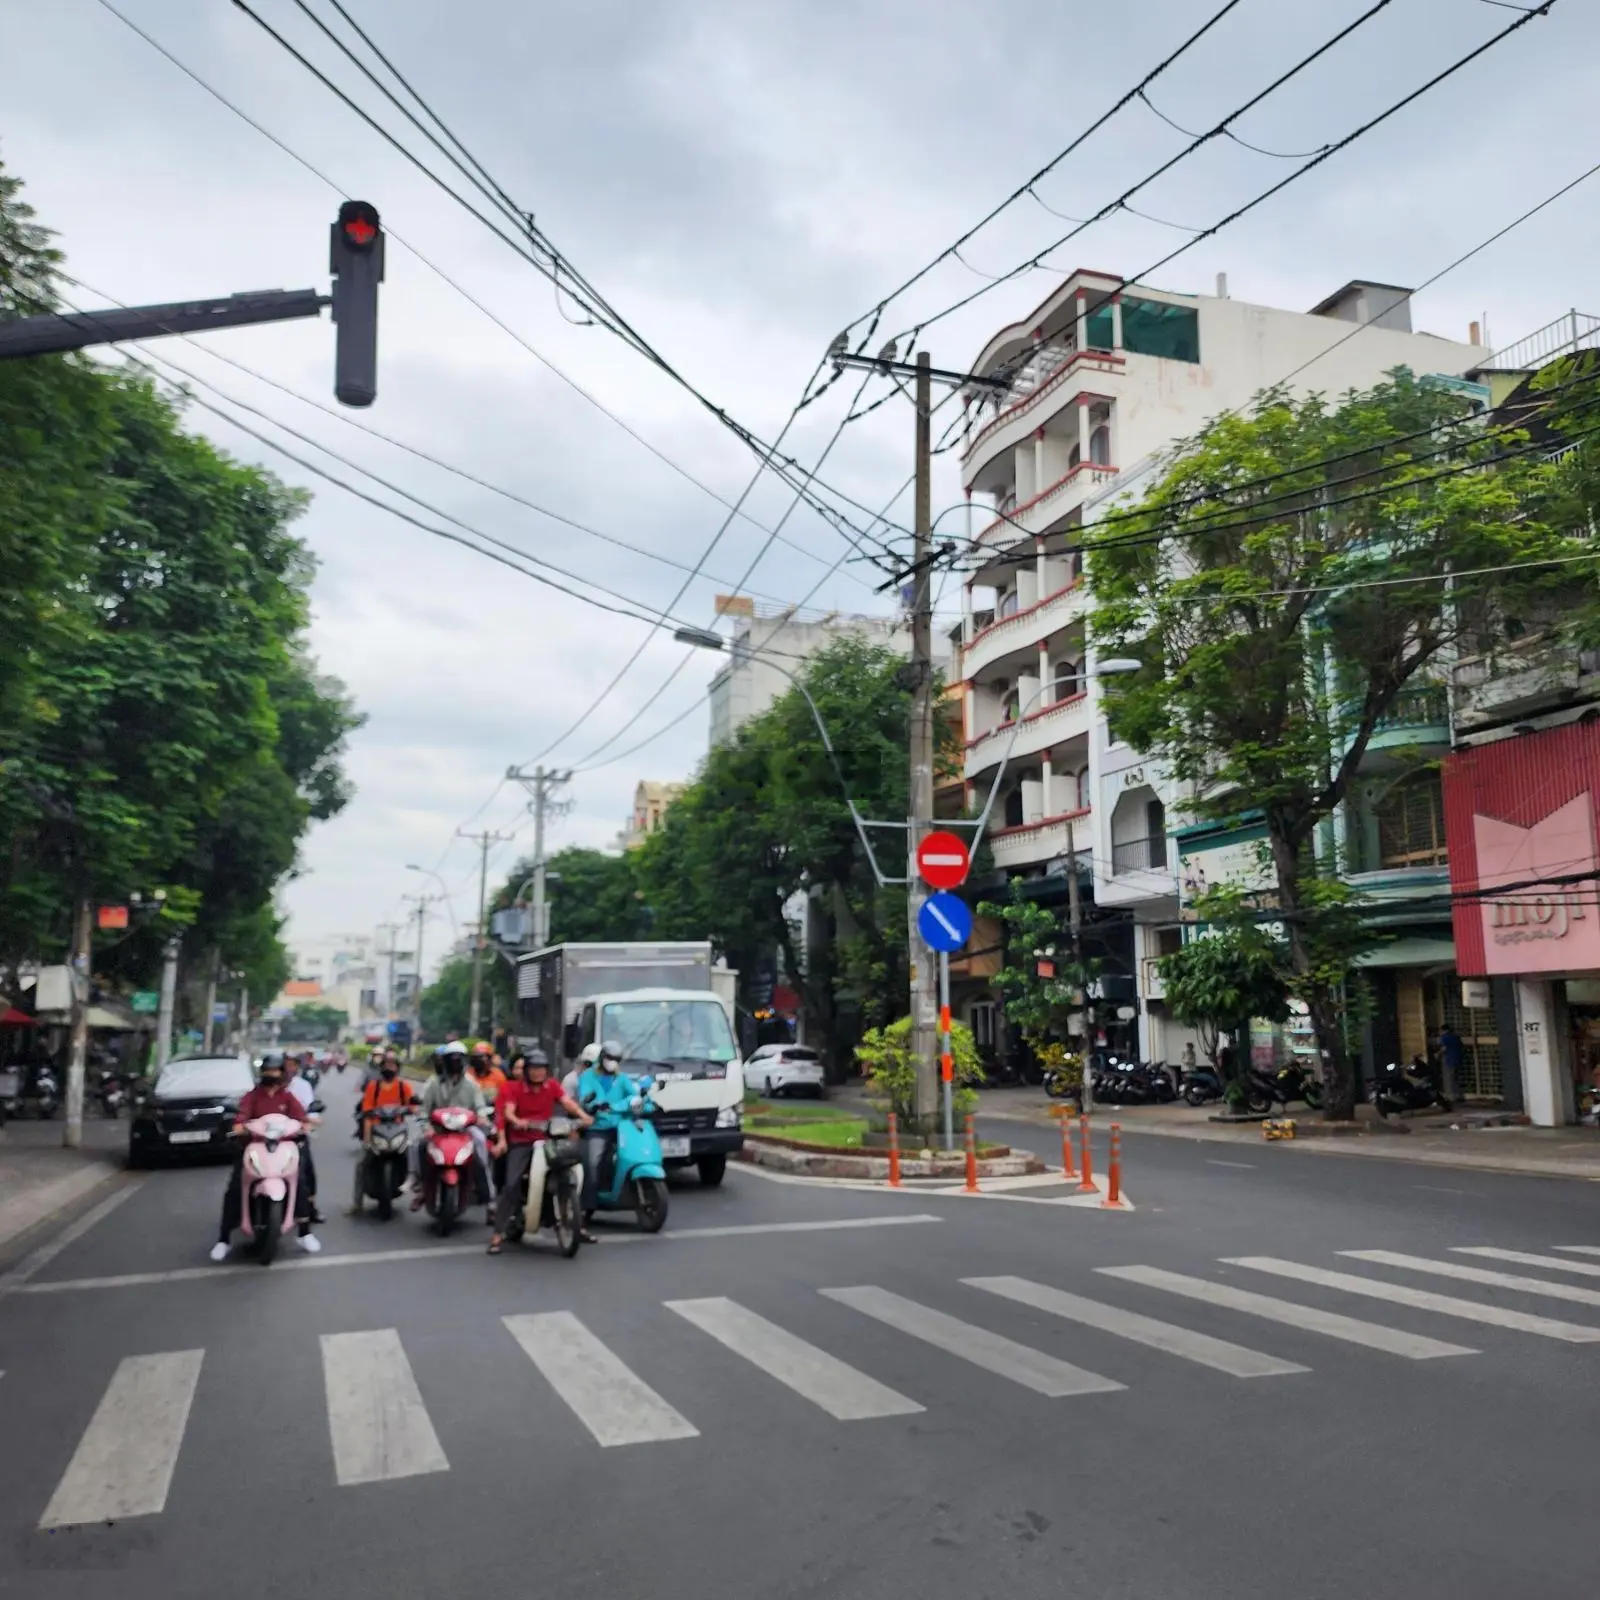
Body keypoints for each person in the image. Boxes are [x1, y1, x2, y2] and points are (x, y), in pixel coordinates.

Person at [211, 1052, 319, 1261]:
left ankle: (305, 1232)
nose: (271, 1074)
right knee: (235, 1186)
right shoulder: (252, 1096)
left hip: (283, 1147)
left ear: (282, 1073)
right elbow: (241, 1117)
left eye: (275, 1071)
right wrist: (239, 1127)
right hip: (254, 1147)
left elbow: (300, 1117)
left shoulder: (287, 1096)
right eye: (268, 1071)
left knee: (301, 1182)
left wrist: (305, 1126)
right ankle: (224, 1238)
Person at [487, 1050, 592, 1253]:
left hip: (546, 1140)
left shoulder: (552, 1085)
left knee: (573, 1165)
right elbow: (508, 1111)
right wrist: (518, 1121)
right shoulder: (513, 1088)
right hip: (522, 1143)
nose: (538, 1073)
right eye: (534, 1069)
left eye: (541, 1069)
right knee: (511, 1184)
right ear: (526, 1071)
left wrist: (582, 1116)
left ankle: (577, 1222)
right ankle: (497, 1234)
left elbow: (567, 1103)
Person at [412, 1041, 491, 1216]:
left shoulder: (472, 1084)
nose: (455, 1062)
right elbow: (424, 1109)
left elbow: (479, 1107)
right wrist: (426, 1127)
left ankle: (487, 1195)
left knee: (480, 1142)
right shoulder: (434, 1083)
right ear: (445, 1061)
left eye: (459, 1058)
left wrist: (482, 1117)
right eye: (451, 1058)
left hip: (465, 1131)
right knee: (418, 1145)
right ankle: (419, 1184)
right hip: (438, 1130)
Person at [575, 1039, 640, 1216]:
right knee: (593, 1163)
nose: (613, 1062)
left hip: (621, 1126)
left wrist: (623, 1105)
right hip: (597, 1127)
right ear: (603, 1057)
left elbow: (634, 1096)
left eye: (617, 1059)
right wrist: (595, 1105)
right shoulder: (588, 1076)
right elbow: (585, 1097)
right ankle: (587, 1205)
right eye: (610, 1058)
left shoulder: (621, 1078)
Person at [349, 1054, 420, 1214]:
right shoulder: (373, 1087)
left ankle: (418, 1192)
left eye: (392, 1065)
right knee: (361, 1163)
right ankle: (357, 1203)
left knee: (413, 1157)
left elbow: (413, 1106)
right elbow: (366, 1112)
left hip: (398, 1129)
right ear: (381, 1068)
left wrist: (413, 1108)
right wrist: (367, 1138)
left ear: (398, 1068)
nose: (389, 1068)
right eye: (386, 1065)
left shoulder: (404, 1086)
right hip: (376, 1129)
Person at [284, 1053, 325, 1224]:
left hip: (296, 1135)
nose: (288, 1069)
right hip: (268, 1138)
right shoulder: (262, 1089)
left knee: (306, 1174)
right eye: (285, 1065)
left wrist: (311, 1120)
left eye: (292, 1065)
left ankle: (310, 1208)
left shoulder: (302, 1086)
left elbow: (308, 1111)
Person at [1436, 1023, 1465, 1103]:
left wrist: (1438, 1054)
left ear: (1442, 1030)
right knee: (1457, 1078)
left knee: (1449, 1079)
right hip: (1458, 1059)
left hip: (1449, 1060)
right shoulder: (1456, 1037)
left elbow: (1444, 1048)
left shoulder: (1444, 1038)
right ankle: (1460, 1095)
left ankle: (1451, 1097)